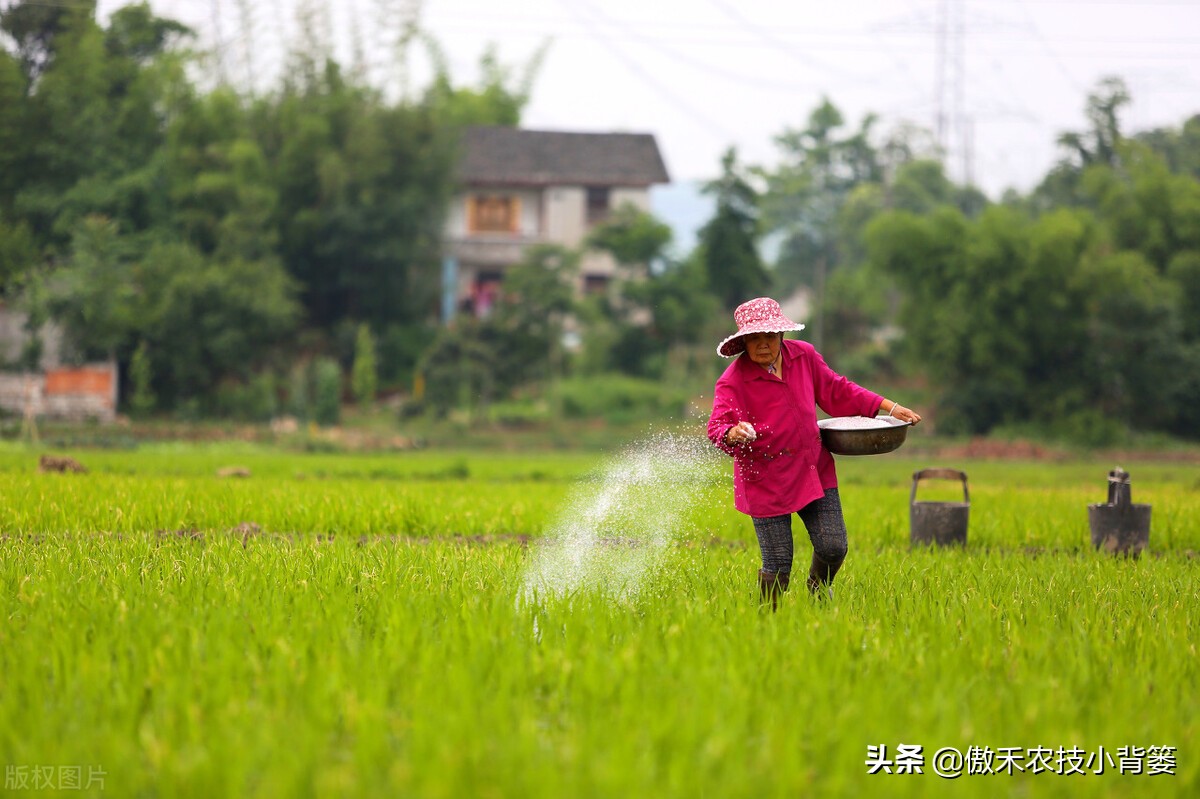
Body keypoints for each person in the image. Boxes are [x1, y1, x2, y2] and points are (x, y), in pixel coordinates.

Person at [706, 297, 922, 610]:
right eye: (755, 339)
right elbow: (717, 427)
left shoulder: (803, 357)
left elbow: (839, 390)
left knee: (834, 546)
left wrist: (887, 407)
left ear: (782, 335)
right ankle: (768, 617)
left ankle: (818, 590)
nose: (763, 345)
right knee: (779, 564)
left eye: (769, 337)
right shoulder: (733, 381)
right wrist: (732, 433)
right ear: (743, 343)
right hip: (765, 480)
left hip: (812, 469)